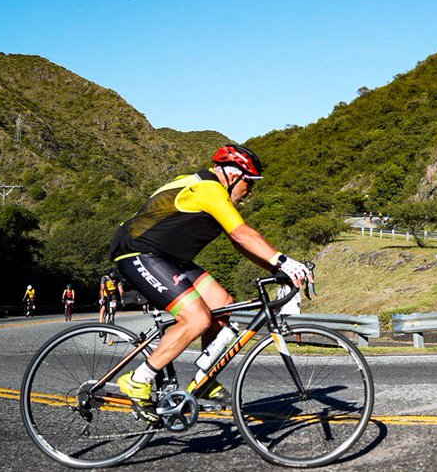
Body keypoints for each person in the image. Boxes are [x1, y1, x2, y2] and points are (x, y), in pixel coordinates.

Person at [111, 144, 312, 421]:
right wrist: (284, 261)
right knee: (197, 319)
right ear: (234, 175)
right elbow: (242, 234)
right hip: (138, 252)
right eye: (249, 184)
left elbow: (239, 243)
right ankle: (138, 379)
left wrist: (276, 270)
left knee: (222, 303)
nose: (249, 192)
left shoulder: (216, 194)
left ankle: (204, 380)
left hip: (170, 258)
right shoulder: (208, 189)